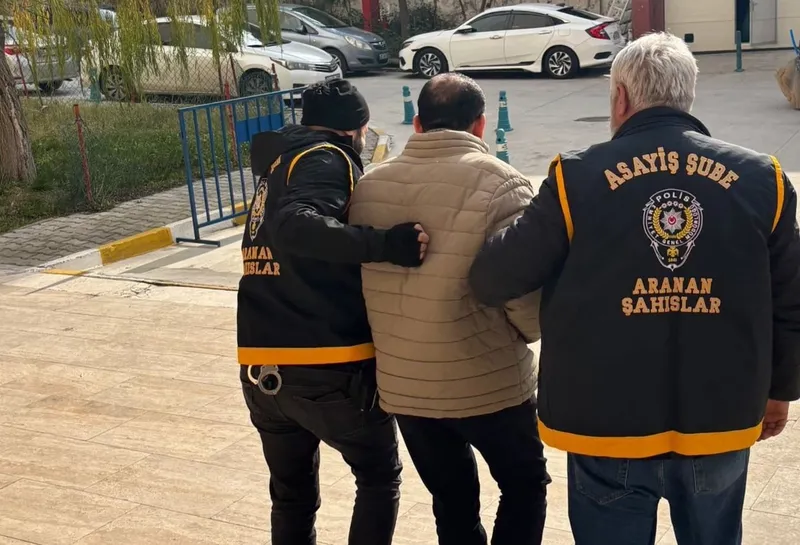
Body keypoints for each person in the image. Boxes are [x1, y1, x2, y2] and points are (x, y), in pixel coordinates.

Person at [468, 32, 800, 545]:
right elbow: (790, 300)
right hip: (720, 415)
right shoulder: (765, 179)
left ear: (620, 97)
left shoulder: (575, 178)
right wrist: (781, 391)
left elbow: (494, 278)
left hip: (607, 424)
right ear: (688, 94)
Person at [349, 73, 551, 545]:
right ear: (480, 125)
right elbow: (521, 292)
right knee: (524, 484)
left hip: (406, 388)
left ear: (418, 124)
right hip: (488, 381)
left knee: (452, 499)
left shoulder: (369, 187)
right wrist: (528, 334)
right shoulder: (502, 183)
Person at [237, 78, 429, 545]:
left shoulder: (280, 163)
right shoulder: (328, 158)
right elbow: (296, 226)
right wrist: (389, 245)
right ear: (355, 128)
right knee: (378, 475)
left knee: (292, 498)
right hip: (327, 363)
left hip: (262, 367)